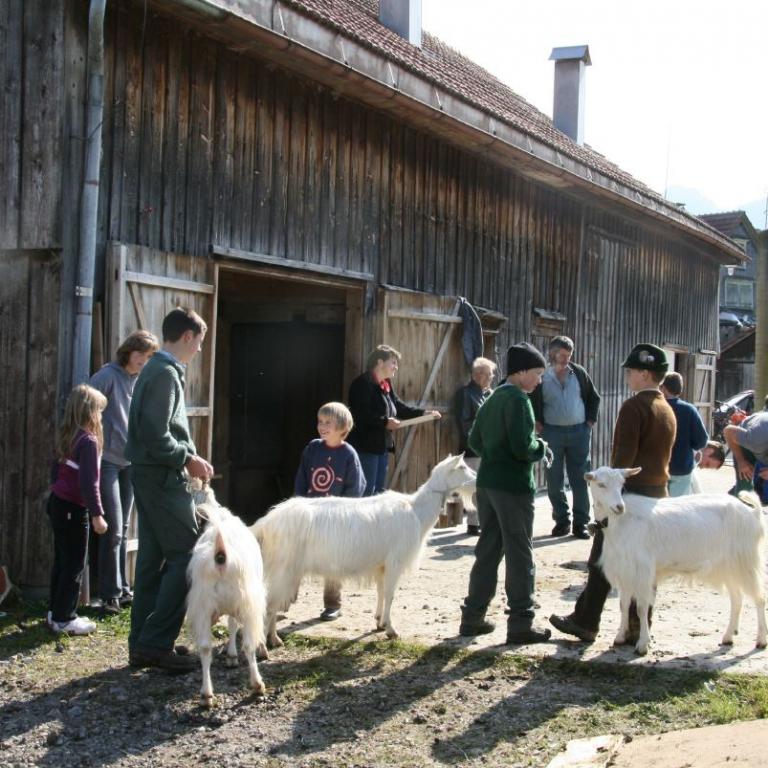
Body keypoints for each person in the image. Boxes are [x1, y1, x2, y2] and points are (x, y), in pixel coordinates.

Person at [549, 343, 676, 644]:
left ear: (645, 374)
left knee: (601, 560)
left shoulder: (634, 407)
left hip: (629, 497)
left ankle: (586, 621)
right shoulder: (666, 408)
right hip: (657, 495)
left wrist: (607, 492)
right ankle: (637, 625)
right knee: (644, 565)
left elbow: (622, 462)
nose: (627, 376)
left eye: (631, 371)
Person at [126, 307, 213, 672]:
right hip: (162, 478)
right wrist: (187, 459)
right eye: (199, 342)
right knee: (187, 556)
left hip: (149, 475)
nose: (199, 350)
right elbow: (155, 433)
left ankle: (142, 643)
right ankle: (156, 643)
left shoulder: (157, 370)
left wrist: (187, 456)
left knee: (151, 560)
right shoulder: (164, 373)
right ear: (188, 337)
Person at [459, 342, 552, 645]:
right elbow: (524, 448)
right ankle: (521, 622)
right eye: (537, 373)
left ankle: (472, 618)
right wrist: (541, 447)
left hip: (487, 483)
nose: (539, 380)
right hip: (513, 487)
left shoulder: (493, 397)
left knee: (488, 550)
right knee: (520, 552)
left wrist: (494, 455)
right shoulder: (519, 401)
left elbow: (474, 441)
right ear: (521, 371)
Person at [89, 330, 159, 615]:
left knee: (125, 529)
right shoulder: (108, 375)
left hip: (131, 462)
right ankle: (109, 595)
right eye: (140, 353)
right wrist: (93, 443)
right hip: (107, 461)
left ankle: (123, 590)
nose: (143, 360)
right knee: (113, 528)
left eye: (149, 356)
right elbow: (84, 406)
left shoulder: (140, 380)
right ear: (128, 351)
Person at [47, 384, 109, 635]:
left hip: (58, 503)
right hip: (73, 509)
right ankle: (64, 618)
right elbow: (89, 483)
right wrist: (97, 514)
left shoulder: (68, 435)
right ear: (90, 412)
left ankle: (55, 611)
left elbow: (55, 471)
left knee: (62, 561)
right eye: (100, 411)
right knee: (73, 564)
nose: (101, 416)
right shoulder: (88, 441)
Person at [294, 401, 366, 621]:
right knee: (297, 556)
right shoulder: (312, 448)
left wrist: (343, 514)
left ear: (343, 427)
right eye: (320, 421)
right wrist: (299, 504)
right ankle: (286, 598)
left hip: (334, 519)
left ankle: (332, 604)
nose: (322, 426)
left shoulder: (349, 454)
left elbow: (356, 487)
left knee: (332, 562)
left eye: (328, 422)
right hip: (309, 514)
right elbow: (302, 478)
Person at [529, 336, 600, 540]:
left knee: (580, 478)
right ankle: (562, 521)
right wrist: (537, 421)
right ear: (552, 353)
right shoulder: (542, 375)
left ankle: (581, 523)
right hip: (552, 433)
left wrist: (590, 421)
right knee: (554, 479)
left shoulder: (579, 373)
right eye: (562, 355)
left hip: (579, 432)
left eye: (569, 355)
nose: (566, 359)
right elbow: (530, 398)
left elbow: (594, 397)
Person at [347, 345, 441, 496]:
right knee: (365, 493)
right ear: (380, 362)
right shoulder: (361, 384)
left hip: (381, 446)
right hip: (365, 447)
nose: (396, 367)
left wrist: (423, 413)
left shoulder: (386, 384)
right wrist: (385, 422)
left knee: (378, 493)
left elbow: (399, 407)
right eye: (393, 362)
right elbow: (361, 414)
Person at [454, 357, 496, 535]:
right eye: (489, 374)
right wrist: (478, 443)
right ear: (478, 375)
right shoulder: (466, 394)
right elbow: (464, 424)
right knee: (473, 487)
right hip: (474, 449)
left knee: (488, 487)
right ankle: (473, 524)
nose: (492, 377)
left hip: (490, 448)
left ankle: (485, 521)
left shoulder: (489, 394)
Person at [660, 372, 709, 497]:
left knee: (659, 505)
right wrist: (693, 446)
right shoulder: (689, 410)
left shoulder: (656, 408)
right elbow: (701, 440)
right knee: (678, 505)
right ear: (680, 390)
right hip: (682, 467)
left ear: (663, 388)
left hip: (658, 467)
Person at [724, 409, 768, 495]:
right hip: (746, 439)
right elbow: (728, 431)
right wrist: (741, 461)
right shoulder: (755, 441)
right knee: (746, 481)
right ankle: (740, 494)